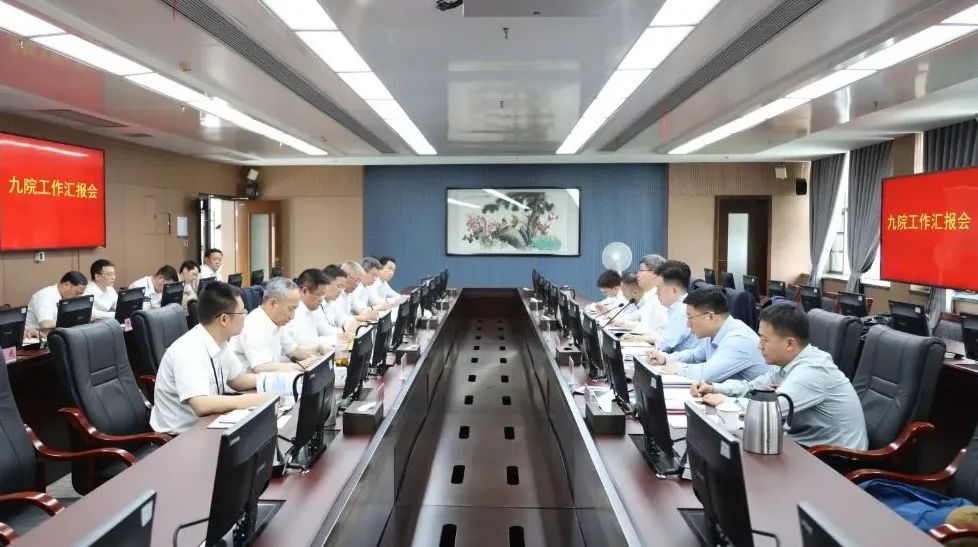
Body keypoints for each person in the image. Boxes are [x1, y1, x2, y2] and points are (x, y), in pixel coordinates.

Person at [690, 304, 867, 450]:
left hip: (836, 458)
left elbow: (769, 411)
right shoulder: (787, 362)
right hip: (805, 445)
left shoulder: (812, 371)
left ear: (790, 344)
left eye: (764, 339)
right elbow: (753, 388)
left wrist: (726, 402)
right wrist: (714, 387)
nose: (759, 346)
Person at [149, 282, 275, 435]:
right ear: (224, 319)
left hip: (209, 424)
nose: (245, 317)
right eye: (242, 312)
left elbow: (238, 380)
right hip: (179, 436)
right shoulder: (189, 350)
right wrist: (256, 400)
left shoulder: (220, 340)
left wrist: (278, 381)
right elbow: (201, 405)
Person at [647, 287, 770, 382]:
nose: (688, 325)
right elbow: (695, 355)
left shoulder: (738, 339)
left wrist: (677, 368)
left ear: (710, 316)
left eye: (690, 318)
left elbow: (705, 375)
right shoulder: (717, 331)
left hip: (747, 403)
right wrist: (665, 358)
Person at [234, 277, 319, 373]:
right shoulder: (255, 325)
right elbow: (261, 367)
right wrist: (302, 365)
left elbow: (293, 350)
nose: (292, 316)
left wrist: (318, 355)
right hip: (252, 380)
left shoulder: (276, 322)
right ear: (273, 303)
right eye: (291, 309)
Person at [630, 263, 700, 352]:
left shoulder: (684, 310)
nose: (656, 293)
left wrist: (637, 340)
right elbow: (662, 337)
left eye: (659, 288)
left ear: (674, 290)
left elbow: (663, 346)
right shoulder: (673, 308)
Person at [287, 268, 348, 352]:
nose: (322, 299)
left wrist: (343, 335)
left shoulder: (314, 308)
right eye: (320, 294)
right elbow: (301, 341)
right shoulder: (291, 310)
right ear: (304, 291)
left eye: (324, 294)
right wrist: (338, 339)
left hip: (314, 354)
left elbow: (325, 329)